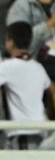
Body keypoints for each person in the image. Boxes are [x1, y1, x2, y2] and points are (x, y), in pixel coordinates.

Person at [0, 21, 51, 150]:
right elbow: (49, 88)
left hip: (23, 131)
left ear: (10, 42)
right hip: (41, 129)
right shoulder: (39, 68)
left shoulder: (7, 67)